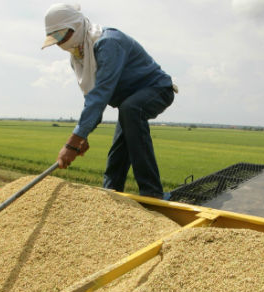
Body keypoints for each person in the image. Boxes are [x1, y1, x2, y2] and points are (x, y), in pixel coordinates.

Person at [41, 3, 177, 199]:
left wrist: (72, 143)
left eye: (63, 36)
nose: (62, 44)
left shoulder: (108, 43)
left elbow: (101, 94)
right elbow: (91, 99)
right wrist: (83, 136)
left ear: (77, 25)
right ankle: (110, 195)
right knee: (119, 149)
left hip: (157, 90)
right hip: (128, 105)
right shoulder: (79, 56)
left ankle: (152, 193)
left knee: (131, 110)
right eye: (57, 40)